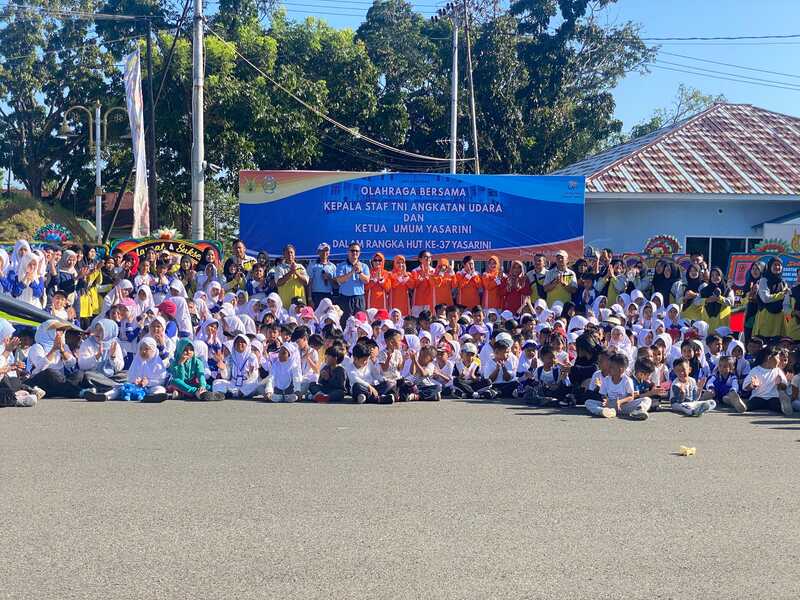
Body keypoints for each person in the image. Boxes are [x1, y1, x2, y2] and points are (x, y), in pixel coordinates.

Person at [586, 352, 650, 420]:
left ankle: (639, 411)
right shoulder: (606, 380)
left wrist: (619, 402)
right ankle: (603, 411)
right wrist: (605, 401)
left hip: (624, 405)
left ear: (620, 370)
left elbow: (631, 397)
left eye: (611, 367)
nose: (609, 369)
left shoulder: (627, 380)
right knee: (588, 402)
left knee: (647, 399)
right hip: (610, 405)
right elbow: (603, 395)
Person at [741, 347, 793, 415]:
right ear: (768, 358)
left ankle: (785, 407)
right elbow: (744, 387)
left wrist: (780, 384)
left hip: (773, 398)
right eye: (777, 358)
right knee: (751, 404)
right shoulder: (755, 370)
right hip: (758, 397)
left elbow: (785, 386)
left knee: (777, 405)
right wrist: (752, 385)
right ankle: (742, 407)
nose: (779, 360)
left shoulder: (778, 370)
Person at [753, 257, 789, 342]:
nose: (777, 267)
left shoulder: (783, 283)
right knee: (763, 344)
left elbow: (786, 302)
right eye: (775, 265)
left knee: (778, 345)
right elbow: (765, 298)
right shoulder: (763, 280)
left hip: (779, 320)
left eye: (779, 265)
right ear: (769, 266)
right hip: (766, 319)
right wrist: (782, 294)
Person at [335, 243, 369, 323]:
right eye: (352, 250)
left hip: (359, 299)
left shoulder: (364, 266)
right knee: (345, 323)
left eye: (357, 251)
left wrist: (360, 272)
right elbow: (339, 280)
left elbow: (366, 280)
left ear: (359, 253)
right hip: (345, 299)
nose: (355, 252)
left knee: (360, 323)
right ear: (348, 252)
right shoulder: (341, 266)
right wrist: (352, 271)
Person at [410, 250, 435, 316]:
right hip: (418, 300)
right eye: (426, 257)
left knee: (429, 319)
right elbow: (413, 286)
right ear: (420, 259)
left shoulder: (434, 271)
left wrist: (429, 277)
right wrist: (420, 279)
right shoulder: (415, 271)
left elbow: (435, 285)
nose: (428, 259)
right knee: (416, 319)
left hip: (430, 301)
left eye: (429, 257)